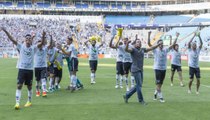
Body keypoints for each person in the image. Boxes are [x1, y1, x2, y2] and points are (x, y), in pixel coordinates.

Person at [1, 27, 45, 110]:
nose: (28, 40)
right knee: (19, 85)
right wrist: (5, 31)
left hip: (30, 70)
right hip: (22, 69)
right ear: (25, 40)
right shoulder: (21, 46)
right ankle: (17, 103)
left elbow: (42, 43)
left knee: (29, 86)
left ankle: (29, 101)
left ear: (31, 40)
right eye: (26, 38)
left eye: (29, 38)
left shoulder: (34, 48)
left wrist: (43, 36)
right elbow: (12, 39)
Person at [123, 37, 161, 104]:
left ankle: (127, 95)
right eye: (137, 42)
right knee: (139, 85)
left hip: (140, 70)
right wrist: (127, 44)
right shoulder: (133, 49)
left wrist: (158, 45)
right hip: (135, 69)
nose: (139, 43)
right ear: (135, 44)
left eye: (140, 42)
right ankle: (141, 100)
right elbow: (126, 50)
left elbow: (151, 48)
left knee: (138, 85)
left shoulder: (143, 49)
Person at [148, 31, 177, 103]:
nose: (161, 45)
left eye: (162, 43)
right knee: (158, 83)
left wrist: (176, 37)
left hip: (163, 69)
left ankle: (155, 93)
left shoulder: (165, 49)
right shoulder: (155, 50)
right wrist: (149, 35)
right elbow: (149, 44)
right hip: (157, 68)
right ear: (158, 44)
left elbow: (173, 45)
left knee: (160, 84)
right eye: (159, 44)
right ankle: (161, 97)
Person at [34, 32, 48, 97]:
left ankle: (44, 91)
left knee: (43, 79)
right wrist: (43, 35)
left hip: (43, 66)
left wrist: (45, 36)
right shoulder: (35, 48)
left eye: (41, 43)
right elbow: (42, 43)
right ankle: (37, 91)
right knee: (37, 80)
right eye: (39, 43)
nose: (40, 44)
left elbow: (48, 44)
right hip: (36, 66)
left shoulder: (45, 48)